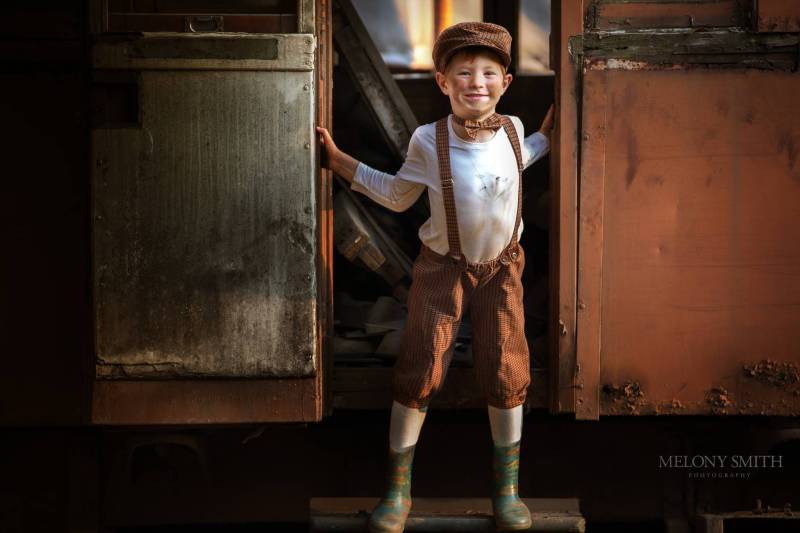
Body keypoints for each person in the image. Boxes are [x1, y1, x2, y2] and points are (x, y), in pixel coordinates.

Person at [317, 21, 555, 533]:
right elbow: (397, 195)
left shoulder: (515, 131)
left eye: (488, 73)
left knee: (507, 370)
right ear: (443, 82)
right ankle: (397, 490)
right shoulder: (430, 140)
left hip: (501, 272)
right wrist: (341, 164)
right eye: (463, 73)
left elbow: (528, 154)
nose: (477, 83)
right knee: (421, 366)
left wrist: (548, 136)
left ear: (506, 83)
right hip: (442, 270)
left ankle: (507, 491)